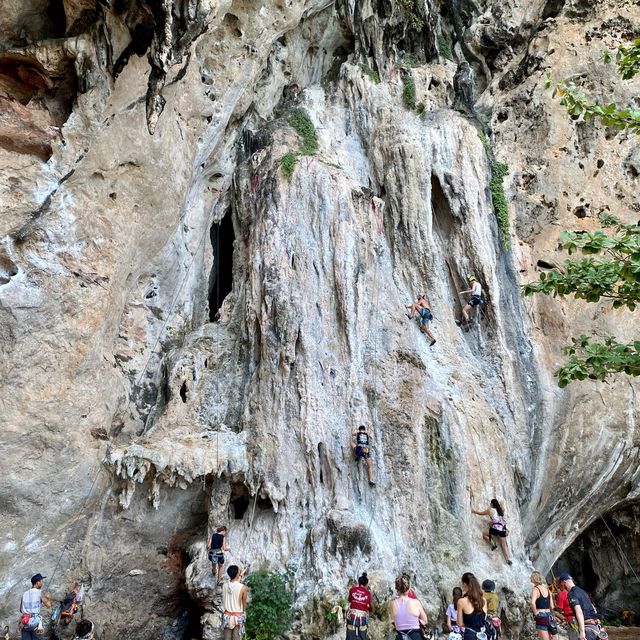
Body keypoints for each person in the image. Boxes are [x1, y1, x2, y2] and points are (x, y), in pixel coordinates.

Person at [557, 574, 608, 640]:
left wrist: (582, 632)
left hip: (588, 628)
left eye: (561, 585)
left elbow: (579, 611)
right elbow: (593, 608)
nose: (562, 588)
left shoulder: (572, 593)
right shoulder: (582, 591)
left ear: (564, 582)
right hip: (598, 626)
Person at [472, 499, 512, 565]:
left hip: (495, 530)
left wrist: (474, 511)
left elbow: (481, 513)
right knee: (504, 545)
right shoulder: (500, 510)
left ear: (492, 504)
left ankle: (493, 544)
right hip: (502, 530)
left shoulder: (490, 510)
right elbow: (503, 510)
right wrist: (502, 504)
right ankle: (508, 560)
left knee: (484, 534)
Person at [390, 575, 428, 640]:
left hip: (400, 637)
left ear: (397, 588)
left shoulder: (393, 604)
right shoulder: (415, 602)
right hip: (415, 636)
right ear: (409, 587)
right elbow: (425, 621)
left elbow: (394, 621)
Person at [19, 573, 52, 640]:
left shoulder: (24, 594)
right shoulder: (40, 593)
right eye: (42, 581)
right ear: (37, 582)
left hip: (25, 623)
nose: (43, 583)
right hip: (35, 623)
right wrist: (49, 598)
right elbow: (49, 605)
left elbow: (20, 609)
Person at [457, 572, 487, 640]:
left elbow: (460, 623)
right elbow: (484, 619)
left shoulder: (461, 601)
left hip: (470, 634)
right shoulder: (483, 600)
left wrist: (469, 625)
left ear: (464, 584)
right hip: (482, 635)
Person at [222, 565, 249, 640]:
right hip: (238, 617)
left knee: (227, 638)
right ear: (237, 574)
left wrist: (240, 575)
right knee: (237, 637)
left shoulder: (224, 586)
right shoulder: (243, 588)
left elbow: (234, 585)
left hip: (227, 617)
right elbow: (244, 603)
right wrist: (244, 612)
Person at [530, 571, 557, 639]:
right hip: (550, 616)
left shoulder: (536, 589)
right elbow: (552, 606)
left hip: (541, 617)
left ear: (533, 579)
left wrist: (536, 613)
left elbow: (532, 603)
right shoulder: (547, 589)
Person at [346, 572, 372, 640]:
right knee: (362, 637)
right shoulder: (368, 593)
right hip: (362, 618)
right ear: (366, 584)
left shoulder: (352, 590)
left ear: (359, 582)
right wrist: (368, 608)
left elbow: (349, 600)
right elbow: (372, 607)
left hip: (352, 616)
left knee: (350, 637)